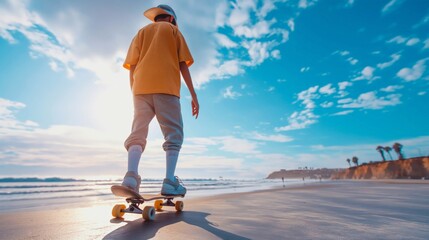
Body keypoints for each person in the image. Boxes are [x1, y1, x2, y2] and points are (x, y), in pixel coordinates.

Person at [121, 4, 199, 196]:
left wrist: (135, 91)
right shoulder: (173, 31)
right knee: (173, 134)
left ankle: (130, 177)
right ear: (172, 19)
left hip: (140, 90)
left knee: (137, 132)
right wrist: (194, 95)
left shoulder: (141, 32)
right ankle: (169, 182)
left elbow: (132, 66)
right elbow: (183, 65)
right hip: (167, 89)